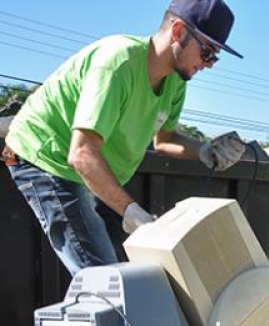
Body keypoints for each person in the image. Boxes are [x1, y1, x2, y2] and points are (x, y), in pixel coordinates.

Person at [3, 0, 246, 275]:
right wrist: (131, 212)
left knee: (137, 273)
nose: (210, 65)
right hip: (48, 159)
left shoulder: (176, 81)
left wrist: (203, 151)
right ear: (178, 32)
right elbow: (81, 154)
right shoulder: (118, 62)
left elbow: (164, 140)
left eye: (215, 56)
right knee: (107, 282)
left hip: (94, 171)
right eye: (207, 52)